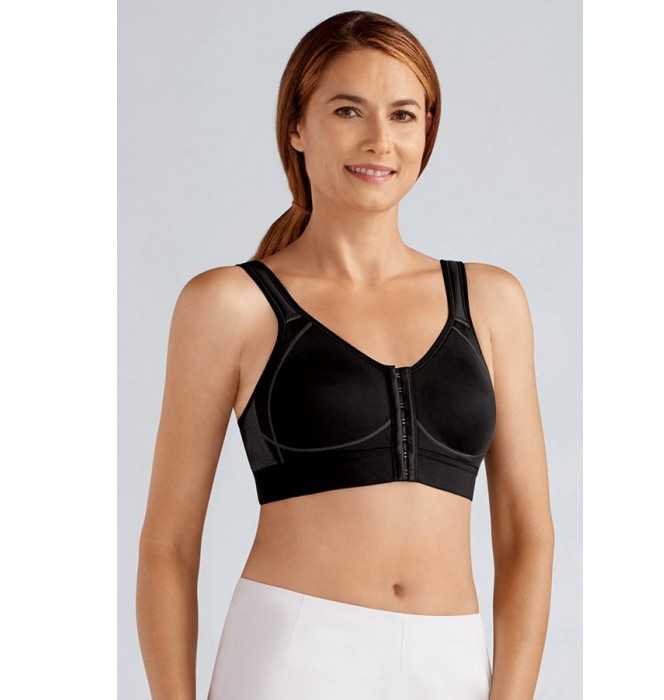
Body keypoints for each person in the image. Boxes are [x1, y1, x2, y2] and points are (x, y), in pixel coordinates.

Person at [136, 10, 555, 700]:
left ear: (427, 130)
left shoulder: (491, 300)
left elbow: (527, 534)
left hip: (449, 662)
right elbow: (169, 547)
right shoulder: (231, 305)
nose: (378, 141)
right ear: (296, 127)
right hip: (291, 659)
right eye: (348, 110)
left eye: (403, 115)